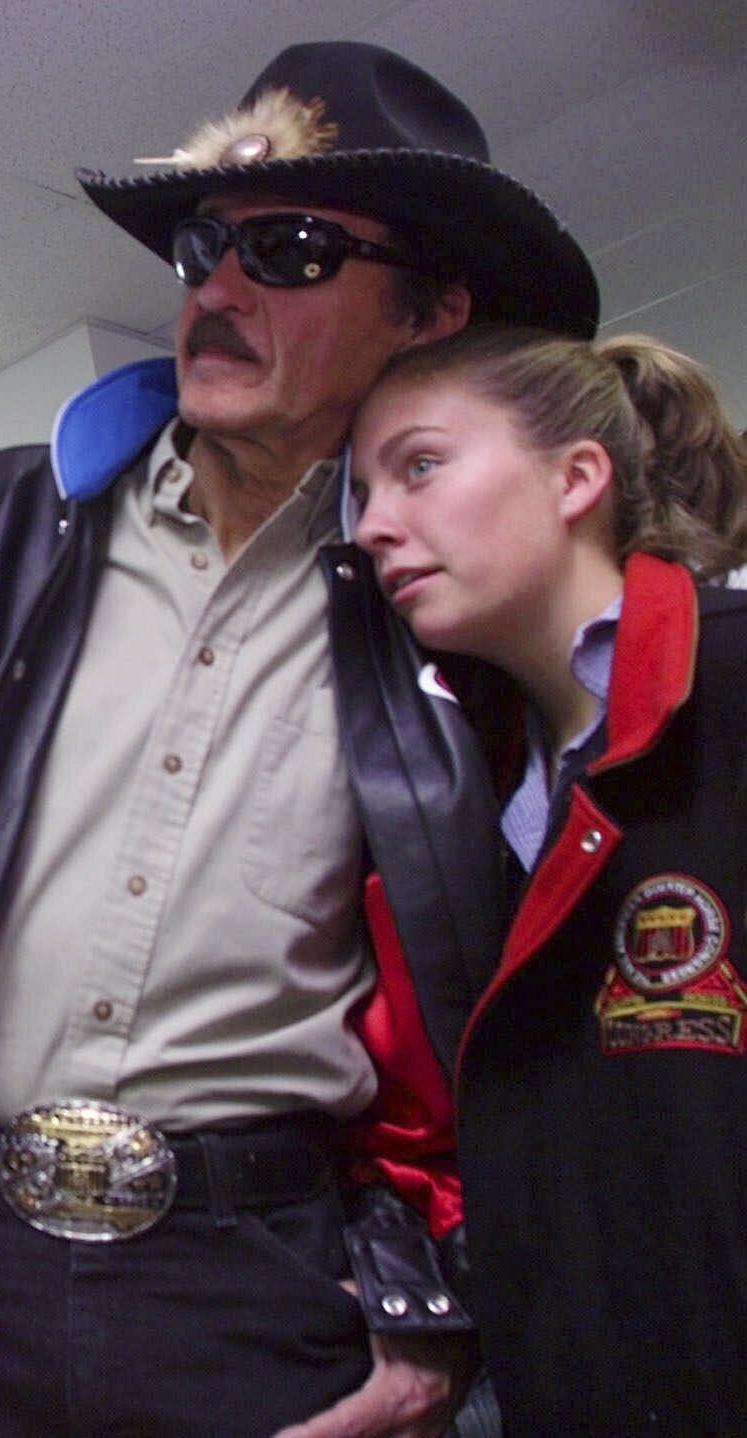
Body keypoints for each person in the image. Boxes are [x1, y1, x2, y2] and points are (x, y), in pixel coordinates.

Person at [0, 41, 597, 1437]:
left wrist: (438, 1311)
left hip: (252, 1285)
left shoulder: (451, 611)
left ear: (428, 313)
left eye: (290, 250)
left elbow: (521, 1015)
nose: (217, 290)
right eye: (205, 245)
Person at [349, 325, 747, 1435]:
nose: (377, 523)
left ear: (578, 477)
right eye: (365, 489)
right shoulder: (468, 785)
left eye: (420, 465)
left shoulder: (732, 680)